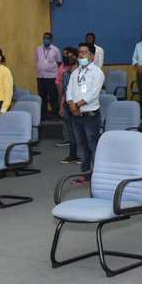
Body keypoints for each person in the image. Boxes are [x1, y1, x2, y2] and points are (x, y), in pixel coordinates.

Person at [66, 42, 105, 184]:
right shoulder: (75, 72)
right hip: (76, 115)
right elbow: (69, 90)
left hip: (90, 115)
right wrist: (72, 106)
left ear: (92, 56)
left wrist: (76, 105)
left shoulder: (97, 72)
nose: (81, 55)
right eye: (80, 52)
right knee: (81, 146)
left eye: (84, 52)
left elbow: (93, 94)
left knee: (92, 145)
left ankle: (97, 174)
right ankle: (85, 173)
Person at [57, 47, 80, 163]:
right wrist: (61, 107)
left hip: (80, 106)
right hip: (68, 106)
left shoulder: (81, 72)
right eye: (67, 57)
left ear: (77, 58)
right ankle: (73, 155)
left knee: (80, 132)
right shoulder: (66, 74)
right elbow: (64, 92)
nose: (69, 59)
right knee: (71, 133)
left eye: (72, 57)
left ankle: (83, 155)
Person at [36, 32, 62, 119]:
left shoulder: (56, 50)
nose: (46, 39)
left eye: (48, 38)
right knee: (42, 97)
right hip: (40, 77)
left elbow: (59, 63)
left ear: (51, 39)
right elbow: (37, 59)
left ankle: (55, 115)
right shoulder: (38, 49)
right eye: (44, 38)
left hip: (52, 77)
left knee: (53, 97)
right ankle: (43, 116)